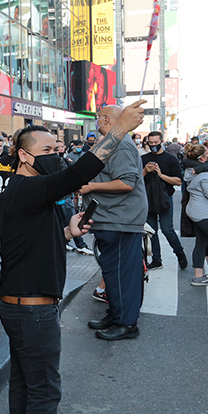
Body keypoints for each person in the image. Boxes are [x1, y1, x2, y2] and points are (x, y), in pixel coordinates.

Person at [0, 100, 145, 414]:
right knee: (45, 392)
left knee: (25, 383)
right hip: (32, 308)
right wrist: (120, 128)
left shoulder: (26, 192)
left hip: (20, 303)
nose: (55, 154)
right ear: (23, 155)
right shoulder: (30, 187)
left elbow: (30, 242)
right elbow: (80, 172)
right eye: (46, 149)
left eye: (57, 147)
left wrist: (68, 231)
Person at [80, 105, 148, 340]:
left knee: (122, 274)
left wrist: (90, 186)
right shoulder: (112, 141)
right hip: (112, 219)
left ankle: (126, 323)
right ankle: (116, 313)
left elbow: (127, 182)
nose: (96, 121)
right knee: (113, 273)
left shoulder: (119, 144)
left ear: (106, 119)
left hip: (120, 220)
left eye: (98, 118)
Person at [142, 131, 188, 270]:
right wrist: (145, 170)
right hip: (148, 198)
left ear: (161, 141)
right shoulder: (143, 159)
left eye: (156, 142)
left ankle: (179, 253)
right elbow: (136, 179)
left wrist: (160, 175)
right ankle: (156, 259)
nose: (154, 145)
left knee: (167, 229)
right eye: (151, 143)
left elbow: (178, 181)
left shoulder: (170, 159)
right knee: (152, 231)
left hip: (165, 197)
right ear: (147, 143)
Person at [182, 144, 208, 287]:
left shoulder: (190, 170)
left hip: (195, 211)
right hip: (205, 213)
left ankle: (199, 276)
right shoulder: (206, 174)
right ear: (201, 157)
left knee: (202, 243)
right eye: (207, 153)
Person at [55, 143, 92, 255]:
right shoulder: (59, 161)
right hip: (63, 198)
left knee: (66, 222)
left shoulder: (64, 159)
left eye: (61, 147)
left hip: (65, 197)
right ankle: (80, 245)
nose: (60, 150)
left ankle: (67, 242)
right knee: (71, 220)